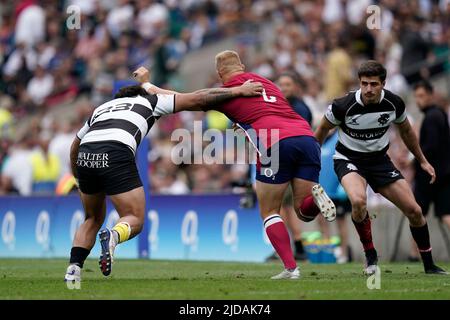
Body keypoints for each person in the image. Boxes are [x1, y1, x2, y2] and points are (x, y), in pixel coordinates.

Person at [134, 50, 337, 280]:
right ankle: (317, 201)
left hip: (275, 143)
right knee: (304, 211)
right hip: (307, 138)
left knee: (270, 210)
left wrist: (148, 85)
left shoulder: (225, 92)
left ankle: (291, 269)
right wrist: (244, 122)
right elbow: (264, 109)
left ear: (220, 74)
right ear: (241, 65)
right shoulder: (265, 82)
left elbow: (182, 98)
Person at [64, 72, 263, 284]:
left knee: (92, 218)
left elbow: (75, 145)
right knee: (134, 218)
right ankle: (114, 236)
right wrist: (237, 91)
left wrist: (79, 177)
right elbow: (198, 97)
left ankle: (74, 269)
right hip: (116, 150)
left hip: (85, 155)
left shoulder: (101, 109)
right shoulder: (150, 101)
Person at [315, 60, 446, 275]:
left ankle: (429, 265)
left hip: (379, 161)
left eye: (373, 84)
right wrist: (312, 161)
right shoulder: (342, 105)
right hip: (348, 159)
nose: (368, 89)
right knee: (358, 201)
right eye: (364, 83)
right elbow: (321, 130)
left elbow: (406, 132)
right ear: (359, 83)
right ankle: (370, 254)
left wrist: (421, 159)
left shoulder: (394, 103)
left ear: (383, 83)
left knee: (414, 211)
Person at [413, 80, 450, 231]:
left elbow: (431, 147)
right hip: (443, 174)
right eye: (416, 96)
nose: (417, 100)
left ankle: (415, 254)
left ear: (430, 95)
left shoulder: (432, 117)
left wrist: (413, 159)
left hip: (430, 177)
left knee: (416, 214)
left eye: (421, 96)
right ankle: (414, 253)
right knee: (444, 214)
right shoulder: (438, 114)